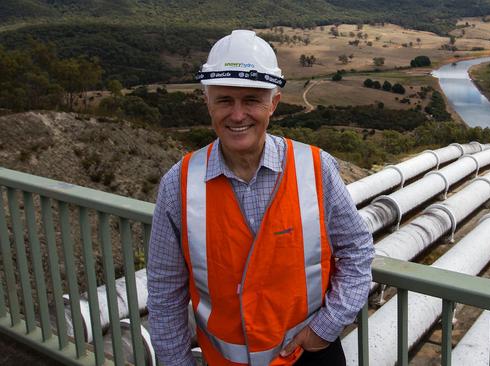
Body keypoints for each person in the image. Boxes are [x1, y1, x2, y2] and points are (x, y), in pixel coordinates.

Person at [147, 29, 374, 366]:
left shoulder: (315, 168)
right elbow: (165, 295)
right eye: (225, 100)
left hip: (310, 357)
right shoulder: (178, 185)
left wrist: (324, 329)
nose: (238, 115)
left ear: (273, 104)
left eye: (251, 99)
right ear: (207, 101)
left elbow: (357, 253)